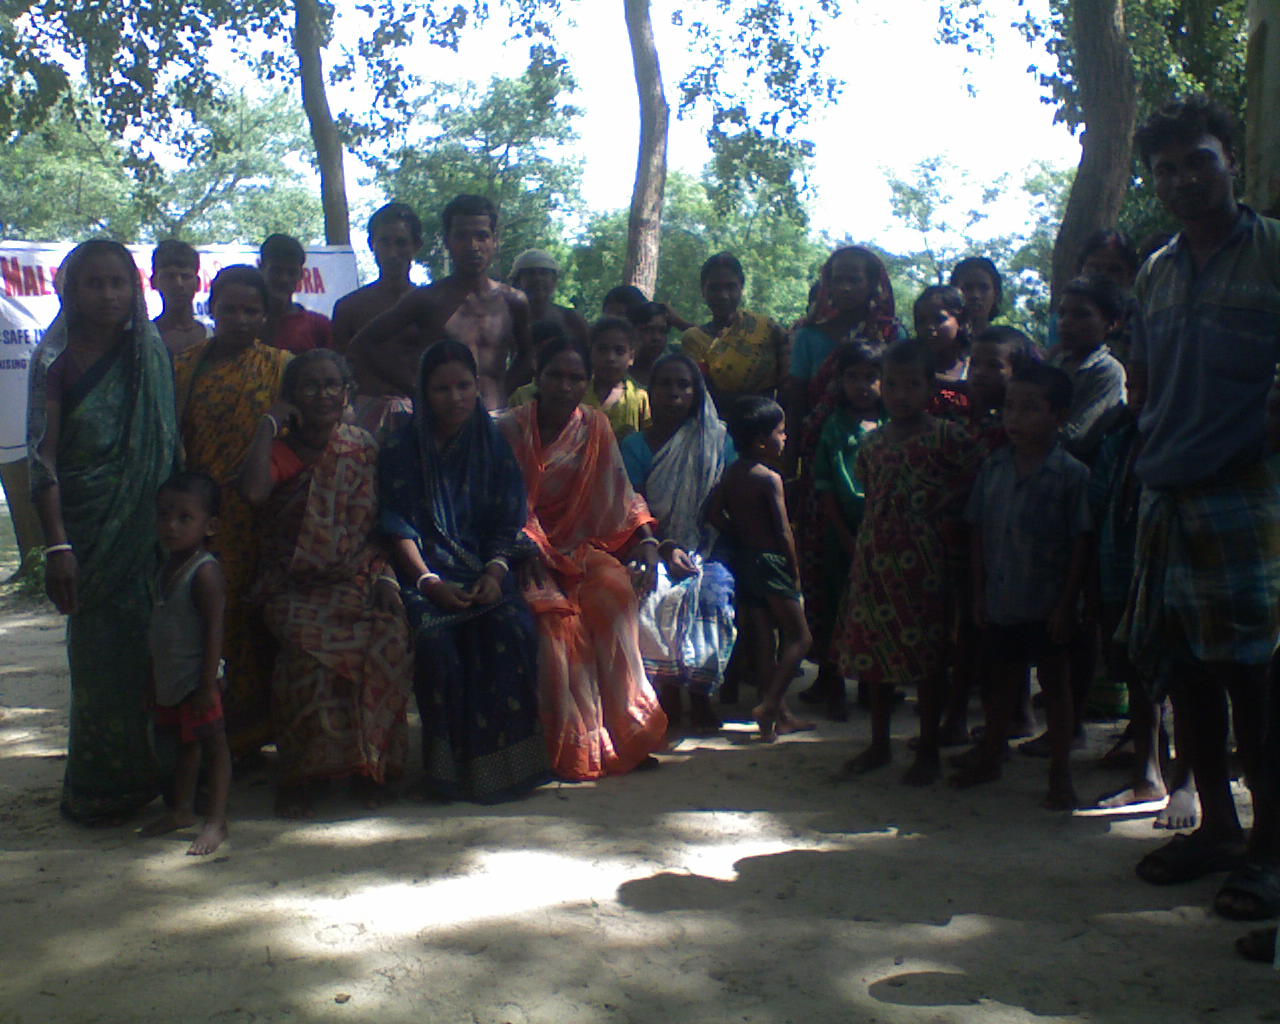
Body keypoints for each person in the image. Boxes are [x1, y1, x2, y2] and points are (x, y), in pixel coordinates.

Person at [1116, 98, 1280, 937]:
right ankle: (1218, 827)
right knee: (1182, 671)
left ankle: (1270, 848)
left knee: (1256, 678)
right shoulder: (1156, 270)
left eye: (1199, 161)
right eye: (1167, 168)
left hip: (1247, 496)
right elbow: (1139, 375)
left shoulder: (1275, 251)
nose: (1182, 179)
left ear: (1232, 163)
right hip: (1166, 493)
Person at [27, 239, 180, 823]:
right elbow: (45, 459)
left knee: (159, 657)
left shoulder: (150, 354)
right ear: (70, 289)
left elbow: (167, 446)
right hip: (89, 536)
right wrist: (58, 544)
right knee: (100, 664)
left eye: (119, 282)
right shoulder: (55, 361)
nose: (109, 294)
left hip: (151, 533)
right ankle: (98, 789)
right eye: (95, 282)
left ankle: (162, 783)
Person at [239, 349, 413, 817]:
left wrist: (385, 578)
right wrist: (266, 426)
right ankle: (300, 776)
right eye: (310, 386)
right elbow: (254, 493)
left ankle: (369, 768)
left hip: (359, 576)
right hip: (293, 585)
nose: (322, 394)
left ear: (347, 393)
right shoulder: (280, 451)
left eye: (332, 384)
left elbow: (379, 524)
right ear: (292, 396)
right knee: (306, 654)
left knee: (387, 638)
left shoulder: (361, 446)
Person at [379, 339, 552, 802]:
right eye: (441, 388)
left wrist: (495, 575)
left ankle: (511, 768)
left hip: (483, 569)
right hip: (425, 577)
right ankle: (447, 774)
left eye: (463, 386)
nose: (454, 398)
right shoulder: (400, 450)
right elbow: (397, 527)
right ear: (423, 392)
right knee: (438, 647)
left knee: (512, 628)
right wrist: (428, 583)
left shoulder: (492, 444)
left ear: (478, 387)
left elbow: (507, 517)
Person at [498, 338, 668, 779]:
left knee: (614, 594)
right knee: (553, 621)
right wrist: (525, 544)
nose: (565, 386)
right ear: (538, 375)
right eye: (556, 375)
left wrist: (647, 540)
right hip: (525, 554)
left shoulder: (595, 428)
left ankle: (629, 732)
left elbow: (621, 495)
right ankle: (571, 742)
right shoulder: (511, 429)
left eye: (576, 378)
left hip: (580, 548)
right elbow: (497, 502)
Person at [834, 340, 981, 785]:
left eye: (911, 385)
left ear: (929, 387)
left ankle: (929, 748)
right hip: (876, 562)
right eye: (891, 384)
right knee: (875, 655)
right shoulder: (872, 442)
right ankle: (879, 744)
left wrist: (939, 510)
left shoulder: (947, 436)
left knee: (929, 658)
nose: (899, 394)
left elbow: (977, 479)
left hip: (927, 564)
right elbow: (868, 493)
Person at [952, 363, 1092, 810]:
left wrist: (1068, 603)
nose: (1015, 418)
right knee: (1001, 683)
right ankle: (991, 755)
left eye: (1031, 408)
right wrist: (977, 593)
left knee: (1056, 687)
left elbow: (1081, 542)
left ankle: (1060, 774)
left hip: (1048, 601)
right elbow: (976, 533)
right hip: (1002, 598)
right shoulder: (993, 467)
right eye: (1010, 406)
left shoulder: (1071, 475)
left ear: (1059, 415)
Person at [174, 265, 292, 758]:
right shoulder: (186, 367)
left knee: (259, 623)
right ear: (213, 308)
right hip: (208, 521)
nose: (240, 319)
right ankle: (219, 742)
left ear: (265, 314)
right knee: (211, 627)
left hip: (267, 518)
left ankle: (262, 732)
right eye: (230, 309)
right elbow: (176, 440)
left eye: (251, 310)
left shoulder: (284, 366)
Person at [620, 352, 737, 733]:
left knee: (712, 594)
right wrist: (662, 544)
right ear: (649, 392)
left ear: (696, 393)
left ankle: (701, 697)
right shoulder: (634, 446)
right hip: (647, 542)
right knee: (649, 592)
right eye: (664, 384)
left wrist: (698, 547)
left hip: (708, 544)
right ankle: (667, 692)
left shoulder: (717, 441)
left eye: (683, 385)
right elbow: (631, 505)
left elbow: (726, 500)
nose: (673, 392)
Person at [350, 194, 532, 412]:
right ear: (447, 241)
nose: (472, 246)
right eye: (461, 236)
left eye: (481, 236)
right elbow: (364, 343)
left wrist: (504, 388)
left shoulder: (513, 301)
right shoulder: (428, 300)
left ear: (495, 241)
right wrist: (415, 390)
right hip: (441, 423)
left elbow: (528, 356)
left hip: (495, 417)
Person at [706, 397, 810, 741]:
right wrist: (794, 569)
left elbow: (710, 513)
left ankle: (775, 719)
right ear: (762, 441)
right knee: (800, 637)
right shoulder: (769, 478)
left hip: (746, 560)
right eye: (781, 432)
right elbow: (783, 530)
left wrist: (738, 532)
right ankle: (770, 705)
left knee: (763, 641)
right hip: (771, 562)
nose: (786, 437)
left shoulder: (732, 473)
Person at [139, 472, 231, 856]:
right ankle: (181, 810)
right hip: (172, 678)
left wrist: (207, 684)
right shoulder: (166, 567)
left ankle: (216, 821)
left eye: (183, 518)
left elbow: (214, 630)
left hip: (198, 680)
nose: (170, 526)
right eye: (163, 516)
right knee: (185, 746)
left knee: (214, 748)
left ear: (209, 526)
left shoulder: (203, 572)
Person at [799, 343, 884, 720]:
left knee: (876, 608)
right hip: (838, 532)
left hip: (885, 532)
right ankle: (833, 686)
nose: (862, 386)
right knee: (835, 607)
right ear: (839, 380)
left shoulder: (891, 424)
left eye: (871, 377)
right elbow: (825, 484)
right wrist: (845, 534)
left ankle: (873, 686)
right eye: (853, 377)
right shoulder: (831, 425)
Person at [331, 203, 423, 436]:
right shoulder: (349, 307)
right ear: (372, 245)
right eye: (385, 242)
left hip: (420, 415)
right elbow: (340, 369)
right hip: (362, 419)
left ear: (416, 246)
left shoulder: (430, 305)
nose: (393, 253)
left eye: (401, 242)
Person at [510, 318, 652, 440]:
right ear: (590, 351)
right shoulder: (573, 390)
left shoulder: (639, 399)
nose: (610, 358)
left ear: (631, 357)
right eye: (602, 349)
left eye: (619, 351)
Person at [681, 253, 789, 412]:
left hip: (767, 424)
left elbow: (789, 382)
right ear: (703, 291)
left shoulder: (766, 328)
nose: (723, 296)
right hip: (719, 426)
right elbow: (704, 395)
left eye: (730, 287)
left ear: (741, 287)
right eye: (714, 288)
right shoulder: (694, 339)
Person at [1050, 276, 1128, 464]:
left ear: (1111, 323)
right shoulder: (1055, 363)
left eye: (1081, 314)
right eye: (1062, 313)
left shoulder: (1107, 372)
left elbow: (1077, 438)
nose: (1066, 322)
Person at [258, 234, 333, 354]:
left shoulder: (319, 325)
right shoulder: (245, 321)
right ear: (261, 268)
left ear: (301, 274)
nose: (284, 279)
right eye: (276, 271)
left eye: (291, 273)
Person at [510, 249, 589, 346]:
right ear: (517, 281)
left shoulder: (572, 319)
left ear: (554, 280)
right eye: (531, 273)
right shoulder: (506, 319)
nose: (538, 278)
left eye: (544, 273)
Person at [151, 240, 209, 356]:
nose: (179, 284)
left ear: (198, 283)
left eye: (186, 277)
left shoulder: (212, 336)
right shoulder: (145, 337)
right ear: (154, 282)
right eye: (170, 277)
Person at [914, 284, 970, 383]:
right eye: (921, 320)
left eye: (939, 319)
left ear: (960, 321)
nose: (929, 327)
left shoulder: (973, 369)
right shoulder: (907, 369)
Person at [949, 256, 1004, 337]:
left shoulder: (1009, 344)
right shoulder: (940, 343)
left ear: (996, 294)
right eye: (968, 288)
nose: (975, 295)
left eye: (983, 287)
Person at [626, 301, 676, 385]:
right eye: (648, 330)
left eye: (662, 331)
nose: (657, 337)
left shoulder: (676, 373)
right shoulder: (616, 374)